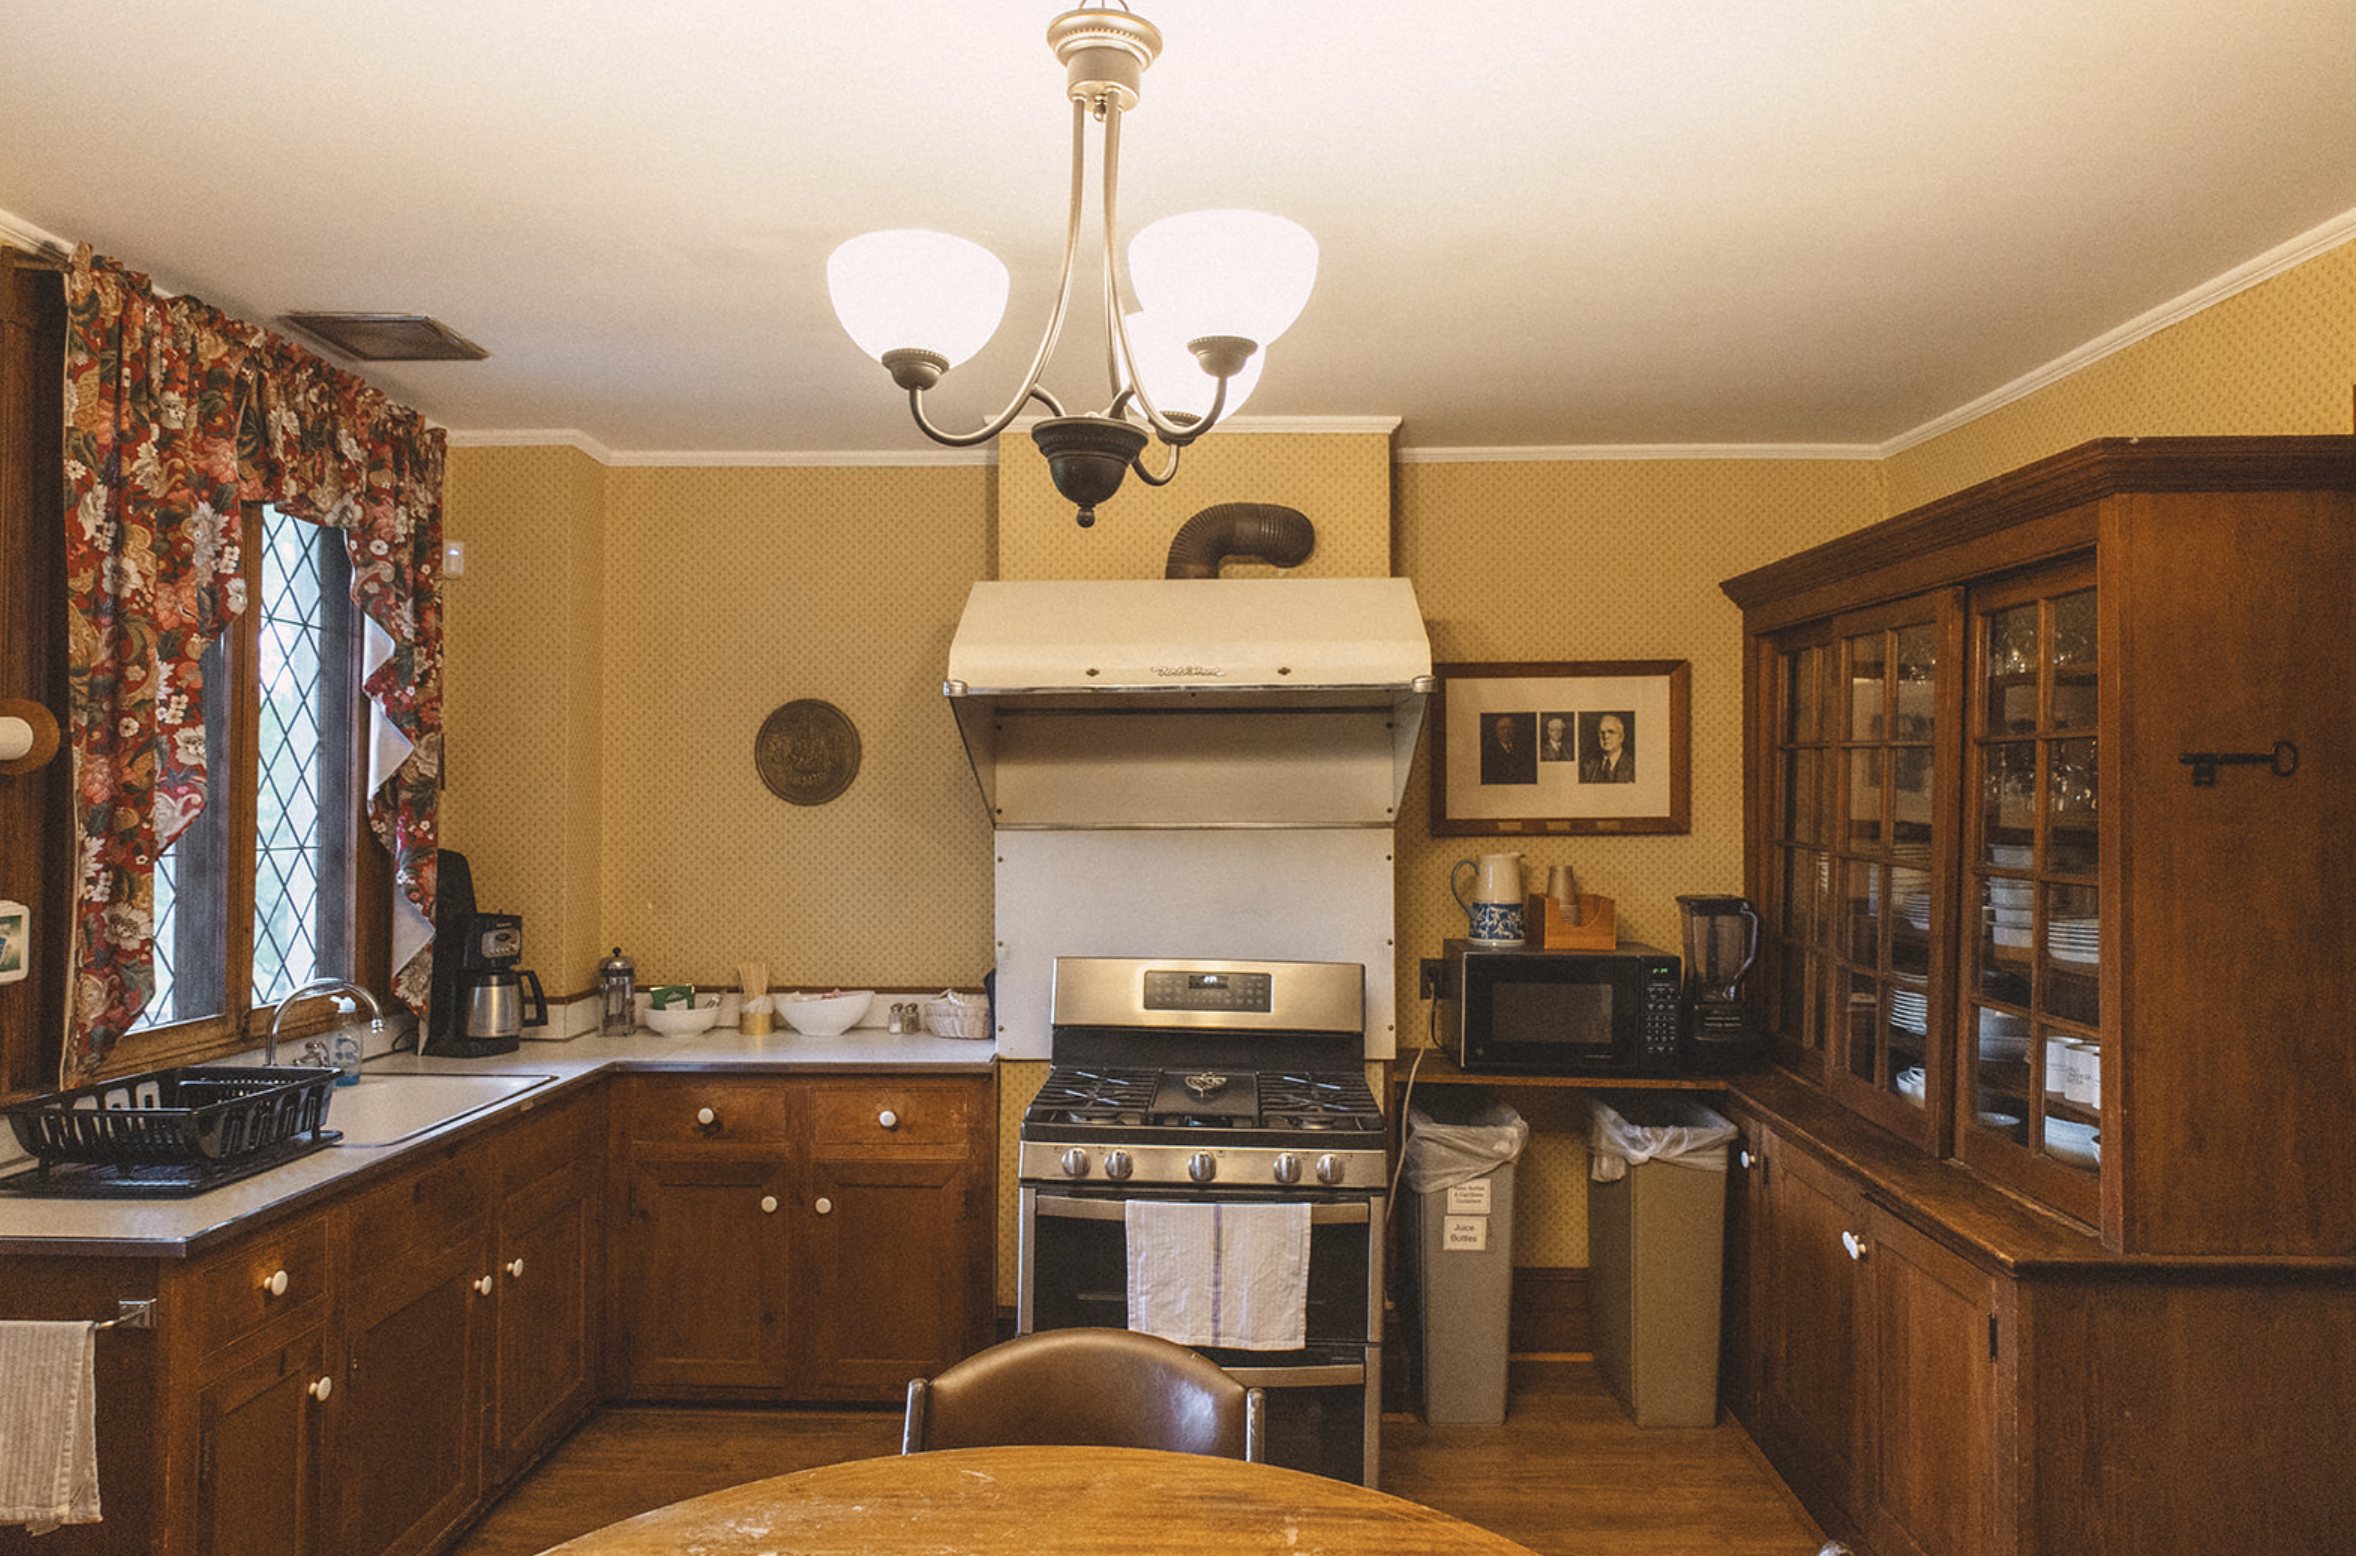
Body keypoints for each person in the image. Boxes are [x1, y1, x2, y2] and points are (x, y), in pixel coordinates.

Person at [1480, 711, 1536, 785]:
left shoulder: (1523, 750)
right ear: (1496, 732)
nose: (1506, 732)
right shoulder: (1488, 752)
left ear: (1514, 730)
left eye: (1509, 728)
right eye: (1502, 728)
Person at [1580, 711, 1636, 783]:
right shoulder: (1588, 766)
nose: (1606, 736)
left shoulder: (1633, 766)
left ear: (1621, 737)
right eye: (1602, 732)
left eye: (1611, 731)